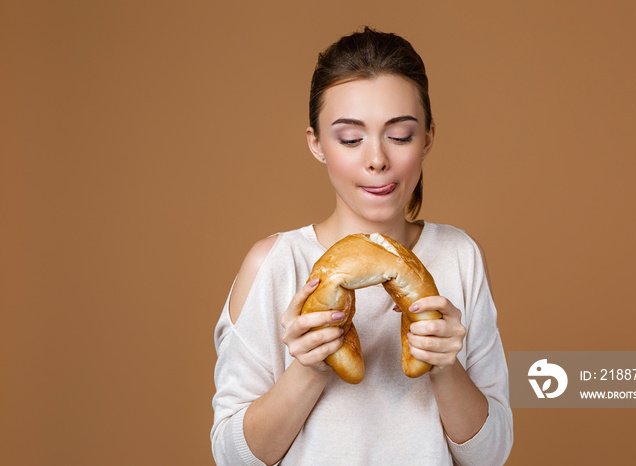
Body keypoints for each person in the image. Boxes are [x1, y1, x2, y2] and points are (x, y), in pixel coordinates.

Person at [211, 27, 513, 465]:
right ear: (316, 143)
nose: (376, 159)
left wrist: (446, 368)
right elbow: (231, 458)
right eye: (351, 138)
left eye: (400, 135)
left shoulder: (458, 256)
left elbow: (491, 455)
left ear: (427, 138)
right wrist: (308, 368)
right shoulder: (276, 264)